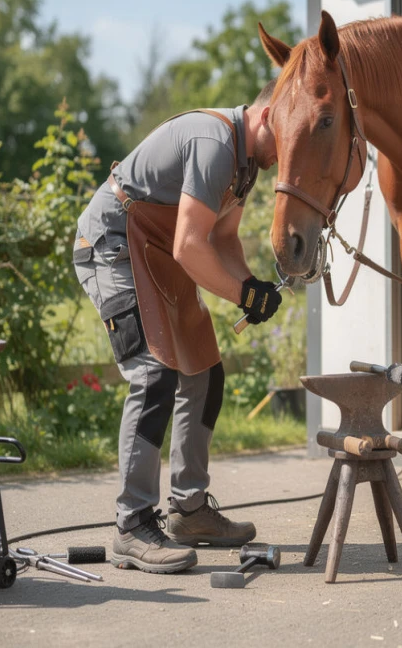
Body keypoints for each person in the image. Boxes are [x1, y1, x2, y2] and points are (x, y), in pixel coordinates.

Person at [72, 80, 283, 574]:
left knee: (205, 372)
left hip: (158, 252)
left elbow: (223, 239)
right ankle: (133, 523)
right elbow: (191, 246)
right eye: (288, 137)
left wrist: (250, 286)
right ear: (269, 115)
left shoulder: (245, 163)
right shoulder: (214, 144)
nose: (289, 151)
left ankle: (188, 511)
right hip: (113, 244)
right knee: (153, 374)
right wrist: (240, 293)